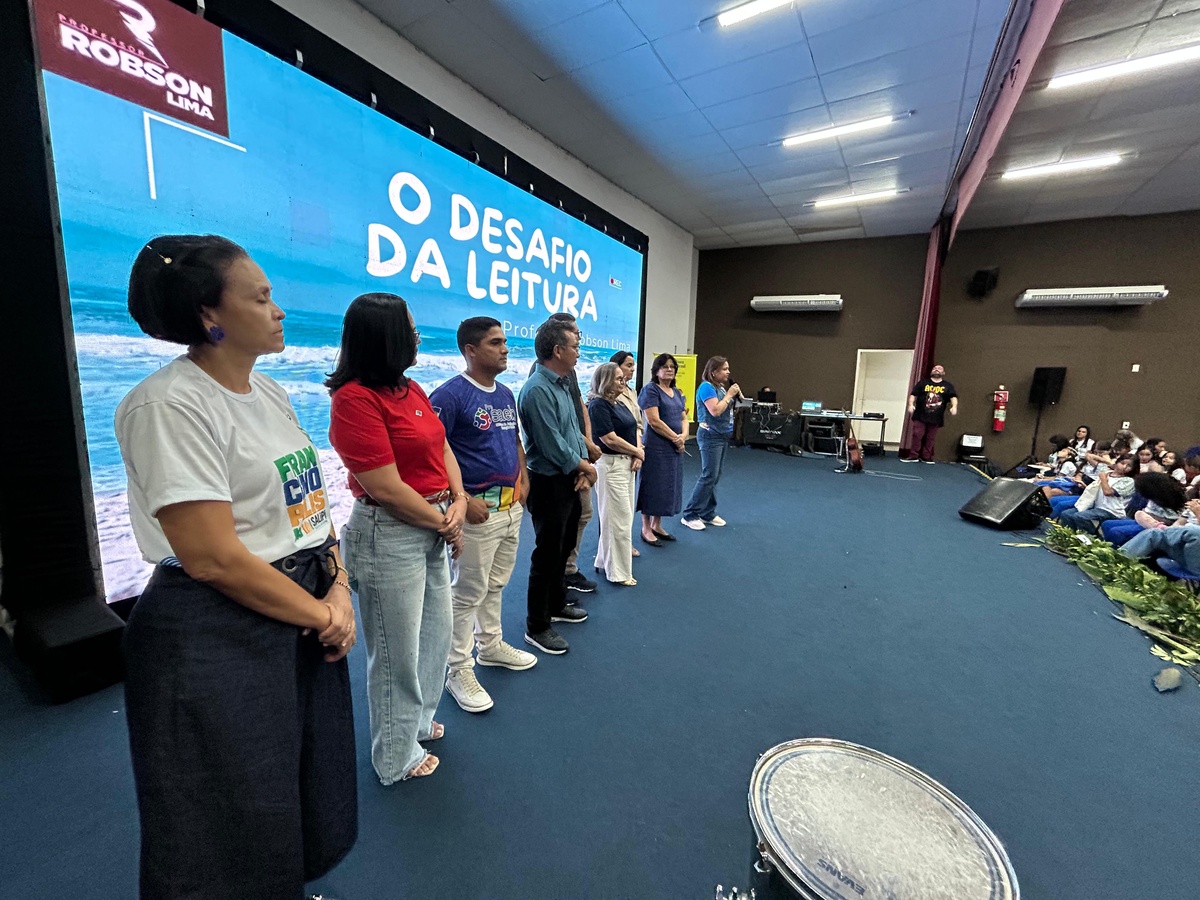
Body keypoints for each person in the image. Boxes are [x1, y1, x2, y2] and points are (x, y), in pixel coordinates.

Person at [115, 236, 357, 898]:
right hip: (215, 628)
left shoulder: (269, 392)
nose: (278, 311)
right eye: (261, 297)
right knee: (223, 807)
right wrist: (323, 613)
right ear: (207, 315)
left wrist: (335, 583)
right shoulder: (169, 405)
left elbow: (308, 504)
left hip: (296, 610)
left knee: (293, 780)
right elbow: (211, 555)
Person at [328, 292, 467, 784]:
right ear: (384, 336)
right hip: (389, 534)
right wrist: (443, 520)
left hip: (430, 524)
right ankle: (395, 756)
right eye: (409, 329)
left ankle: (417, 724)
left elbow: (443, 448)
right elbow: (383, 487)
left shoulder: (410, 390)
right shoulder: (353, 400)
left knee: (434, 637)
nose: (417, 336)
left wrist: (458, 501)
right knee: (394, 653)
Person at [430, 317, 537, 714]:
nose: (506, 349)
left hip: (510, 509)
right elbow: (430, 454)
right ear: (470, 350)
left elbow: (514, 441)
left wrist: (523, 477)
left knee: (495, 585)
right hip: (476, 512)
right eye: (496, 343)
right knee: (465, 594)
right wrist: (460, 497)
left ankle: (489, 646)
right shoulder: (450, 396)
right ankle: (457, 668)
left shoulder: (506, 394)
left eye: (505, 342)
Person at [518, 318, 597, 655]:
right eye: (575, 346)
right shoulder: (537, 390)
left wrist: (582, 466)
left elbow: (573, 433)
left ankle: (556, 603)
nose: (580, 350)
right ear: (557, 350)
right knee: (547, 554)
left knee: (563, 548)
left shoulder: (562, 383)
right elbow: (552, 446)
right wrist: (586, 467)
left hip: (567, 477)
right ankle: (537, 626)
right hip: (548, 482)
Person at [587, 362, 643, 585]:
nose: (624, 381)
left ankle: (603, 561)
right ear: (606, 381)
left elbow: (633, 428)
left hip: (625, 465)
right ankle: (618, 573)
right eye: (619, 378)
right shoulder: (598, 405)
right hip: (610, 466)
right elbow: (608, 438)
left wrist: (637, 453)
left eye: (623, 378)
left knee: (622, 518)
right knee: (617, 521)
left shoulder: (618, 403)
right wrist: (637, 451)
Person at [680, 355, 740, 531]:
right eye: (724, 369)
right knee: (708, 475)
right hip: (710, 436)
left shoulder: (719, 388)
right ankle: (690, 514)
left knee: (715, 475)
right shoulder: (706, 387)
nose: (728, 372)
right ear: (714, 372)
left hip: (721, 436)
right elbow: (714, 410)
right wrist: (730, 395)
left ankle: (708, 512)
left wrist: (730, 396)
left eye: (728, 369)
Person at [637, 353, 688, 546]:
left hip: (675, 447)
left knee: (668, 486)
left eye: (672, 367)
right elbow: (654, 421)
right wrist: (675, 438)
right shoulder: (651, 390)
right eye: (665, 366)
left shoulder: (677, 392)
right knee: (653, 485)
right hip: (657, 446)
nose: (669, 369)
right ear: (656, 370)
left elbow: (684, 418)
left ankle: (657, 524)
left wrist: (683, 437)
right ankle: (646, 527)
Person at [610, 350, 644, 557]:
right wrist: (635, 451)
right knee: (615, 509)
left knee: (628, 506)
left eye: (633, 366)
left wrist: (638, 452)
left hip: (633, 452)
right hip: (617, 455)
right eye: (628, 365)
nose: (632, 369)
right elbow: (610, 434)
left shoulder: (632, 391)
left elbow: (637, 425)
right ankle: (613, 549)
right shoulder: (607, 396)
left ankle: (625, 543)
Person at [1058, 453, 1138, 533]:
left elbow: (1107, 492)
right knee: (1066, 514)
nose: (1124, 467)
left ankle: (1093, 539)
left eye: (1129, 466)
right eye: (1122, 463)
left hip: (1111, 510)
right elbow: (1089, 456)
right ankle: (1071, 536)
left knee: (1080, 517)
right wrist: (1085, 486)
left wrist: (1103, 479)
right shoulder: (1107, 472)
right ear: (1117, 462)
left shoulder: (1129, 481)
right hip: (1095, 504)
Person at [902, 364, 957, 463]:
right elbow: (913, 394)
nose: (937, 370)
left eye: (939, 369)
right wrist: (910, 405)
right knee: (917, 434)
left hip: (936, 417)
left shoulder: (947, 386)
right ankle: (914, 455)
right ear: (931, 371)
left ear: (943, 373)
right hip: (920, 415)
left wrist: (954, 407)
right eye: (935, 368)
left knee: (930, 437)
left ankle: (926, 457)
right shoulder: (923, 383)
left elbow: (953, 397)